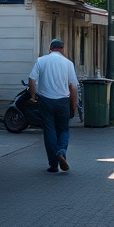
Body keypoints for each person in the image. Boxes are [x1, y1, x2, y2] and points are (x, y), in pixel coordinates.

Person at [29, 38, 80, 173]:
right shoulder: (68, 63)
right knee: (63, 130)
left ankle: (53, 164)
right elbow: (73, 87)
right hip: (63, 101)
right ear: (62, 49)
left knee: (49, 131)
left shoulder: (41, 60)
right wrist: (73, 105)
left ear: (50, 48)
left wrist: (33, 96)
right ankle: (61, 151)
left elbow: (32, 79)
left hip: (45, 100)